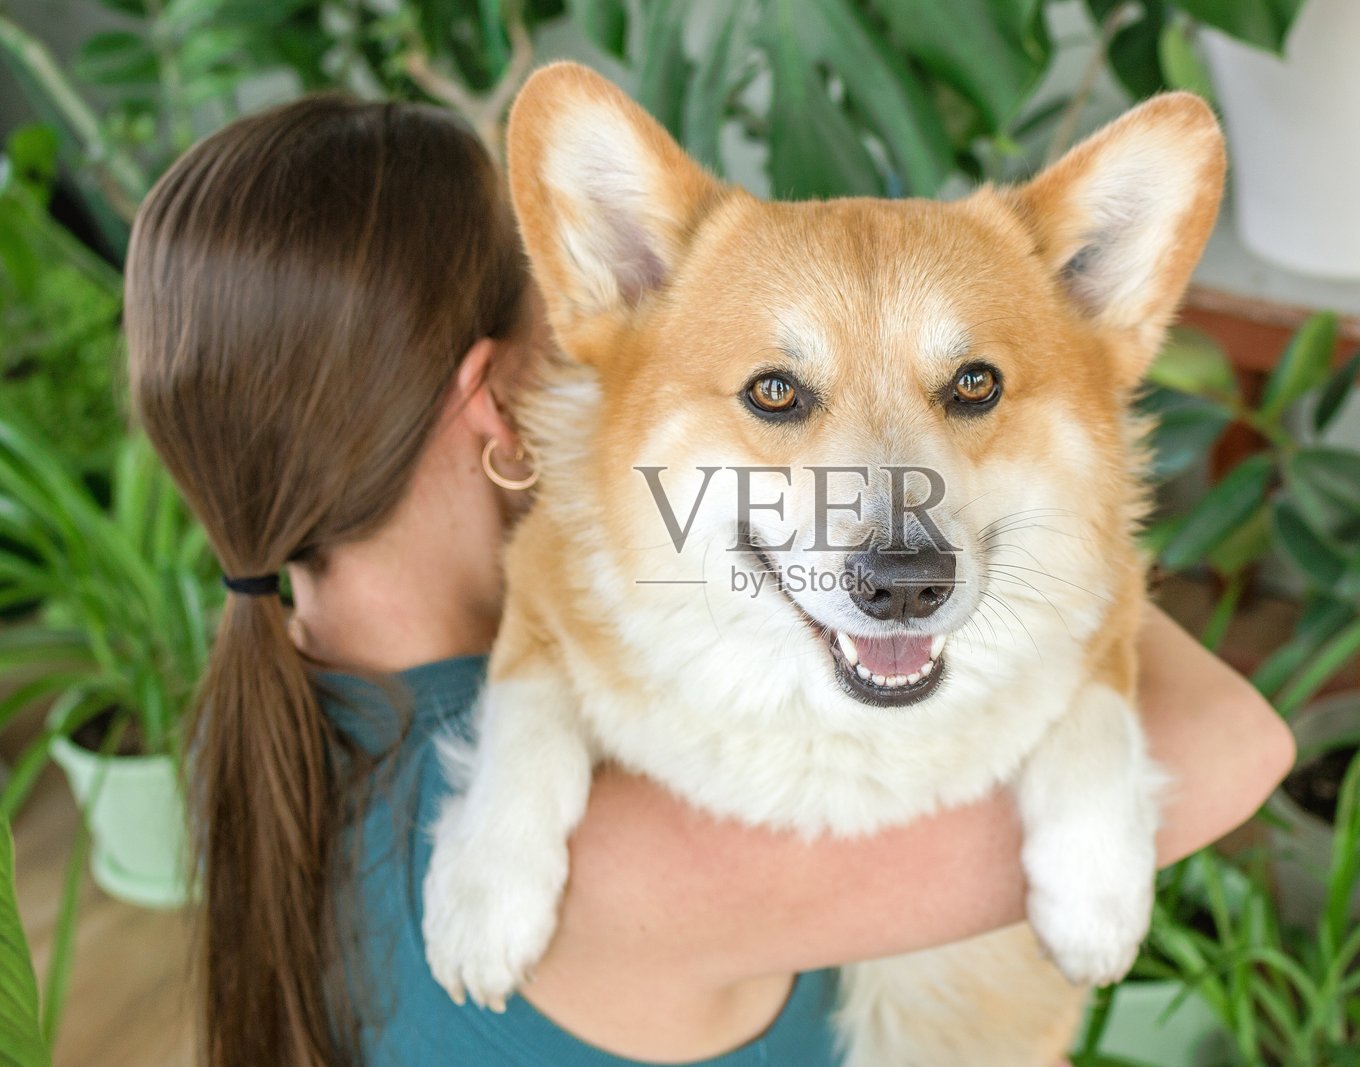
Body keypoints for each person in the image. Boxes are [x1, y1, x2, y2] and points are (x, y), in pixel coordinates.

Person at [124, 95, 1294, 1067]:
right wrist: (1033, 439)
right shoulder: (624, 858)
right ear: (497, 405)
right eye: (567, 313)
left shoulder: (285, 726)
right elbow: (1235, 743)